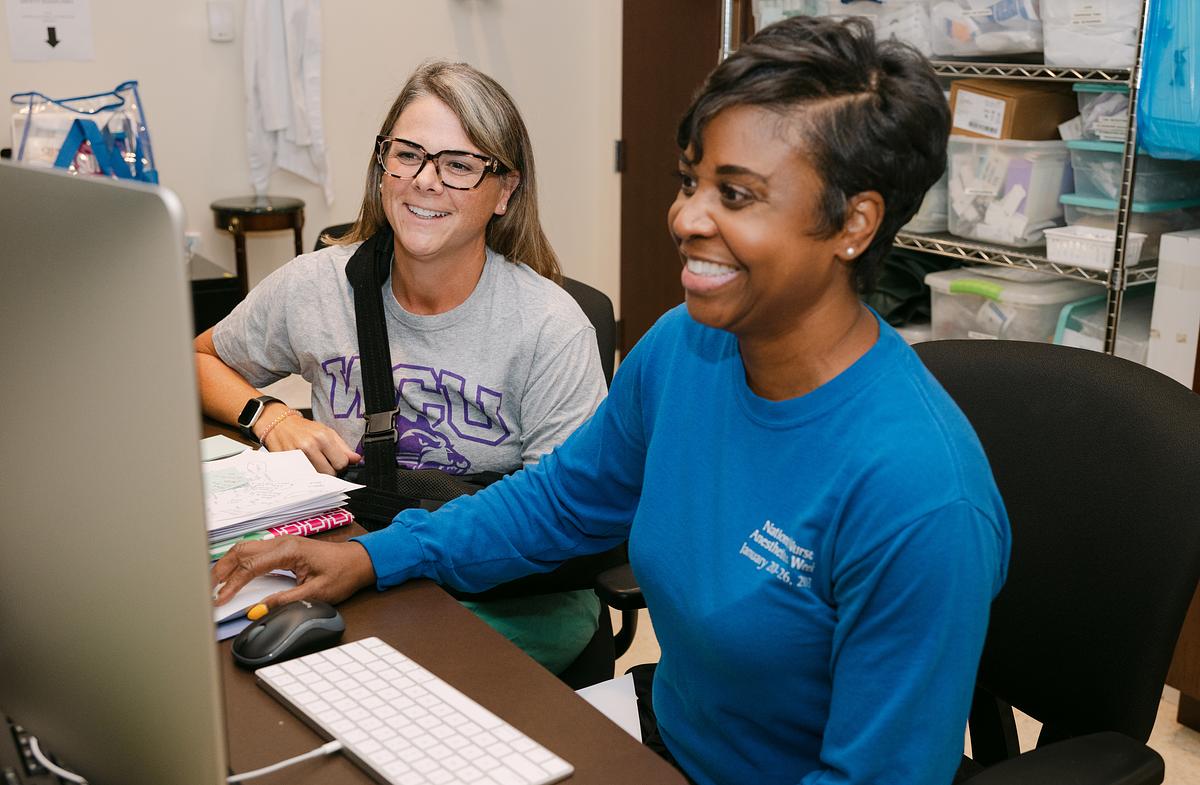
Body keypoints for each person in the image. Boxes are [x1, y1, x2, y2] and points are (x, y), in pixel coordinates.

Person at [213, 17, 1010, 785]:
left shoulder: (918, 493)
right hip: (661, 734)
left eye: (736, 195)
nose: (686, 218)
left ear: (854, 223)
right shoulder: (681, 349)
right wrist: (373, 554)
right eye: (690, 181)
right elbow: (558, 503)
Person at [198, 60, 608, 676]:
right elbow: (201, 358)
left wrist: (375, 562)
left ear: (504, 192)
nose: (424, 181)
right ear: (381, 164)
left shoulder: (550, 326)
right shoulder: (319, 286)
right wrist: (269, 414)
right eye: (408, 154)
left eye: (460, 165)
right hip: (355, 560)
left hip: (509, 594)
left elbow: (556, 522)